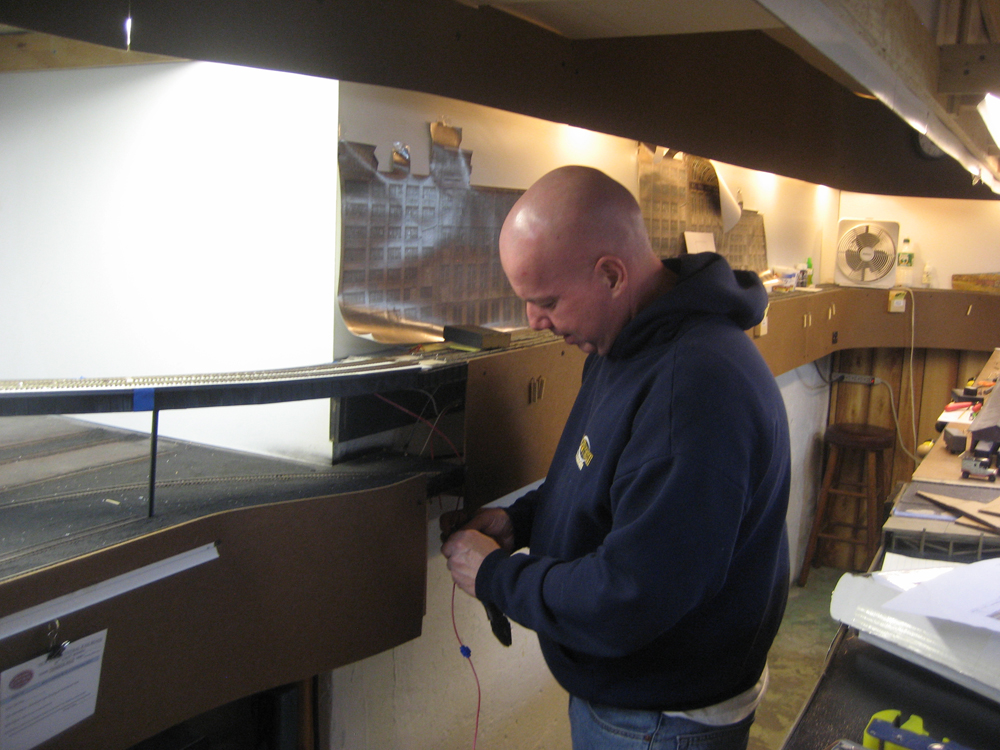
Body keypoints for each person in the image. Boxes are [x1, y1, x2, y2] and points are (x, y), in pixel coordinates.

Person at [441, 165, 790, 750]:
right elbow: (602, 477)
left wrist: (496, 576)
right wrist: (520, 521)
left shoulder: (693, 388)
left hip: (662, 721)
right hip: (637, 700)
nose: (535, 322)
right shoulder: (622, 346)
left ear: (610, 274)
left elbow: (631, 596)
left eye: (546, 300)